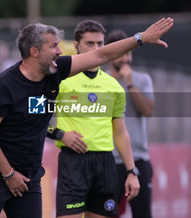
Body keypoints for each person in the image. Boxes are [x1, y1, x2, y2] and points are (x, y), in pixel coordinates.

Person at [0, 18, 173, 218]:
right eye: (54, 46)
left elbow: (102, 55)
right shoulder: (2, 87)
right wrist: (9, 173)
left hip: (29, 176)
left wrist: (140, 38)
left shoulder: (57, 71)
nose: (59, 51)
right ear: (34, 51)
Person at [45, 20, 139, 218]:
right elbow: (32, 116)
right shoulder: (61, 80)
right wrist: (62, 135)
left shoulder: (114, 86)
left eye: (100, 43)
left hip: (105, 164)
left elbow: (120, 132)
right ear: (77, 46)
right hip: (73, 163)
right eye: (90, 43)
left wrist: (132, 171)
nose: (96, 48)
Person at [106, 30, 154, 218]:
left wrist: (130, 84)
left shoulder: (142, 80)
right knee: (108, 213)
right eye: (121, 53)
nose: (125, 58)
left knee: (143, 214)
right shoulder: (102, 82)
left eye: (128, 53)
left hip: (139, 160)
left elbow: (148, 111)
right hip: (110, 160)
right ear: (111, 54)